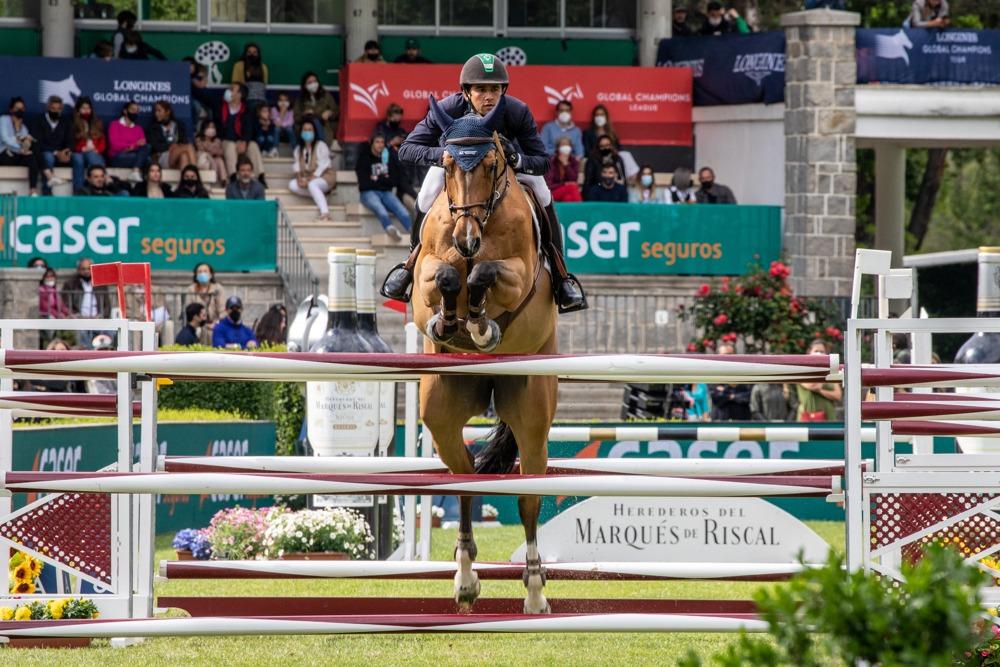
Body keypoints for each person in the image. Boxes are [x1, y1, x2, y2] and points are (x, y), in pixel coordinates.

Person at [386, 53, 586, 313]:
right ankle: (410, 264)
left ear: (503, 90)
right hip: (457, 171)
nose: (489, 97)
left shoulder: (517, 111)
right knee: (425, 195)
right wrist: (440, 156)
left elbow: (543, 161)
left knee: (543, 193)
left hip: (504, 169)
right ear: (467, 92)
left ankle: (561, 276)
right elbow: (407, 149)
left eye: (495, 89)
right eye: (481, 89)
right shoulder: (448, 109)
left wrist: (517, 159)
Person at [356, 134, 411, 241]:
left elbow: (393, 180)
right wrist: (383, 180)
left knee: (402, 210)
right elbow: (363, 182)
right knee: (380, 209)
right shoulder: (364, 158)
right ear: (372, 143)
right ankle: (390, 229)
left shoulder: (388, 157)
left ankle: (414, 234)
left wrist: (376, 179)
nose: (380, 145)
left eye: (382, 142)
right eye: (377, 142)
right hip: (368, 193)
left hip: (386, 192)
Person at [289, 120, 335, 220]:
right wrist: (299, 180)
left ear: (314, 132)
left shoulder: (321, 145)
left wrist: (309, 180)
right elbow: (297, 167)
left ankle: (325, 213)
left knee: (312, 184)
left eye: (310, 130)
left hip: (324, 177)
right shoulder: (298, 149)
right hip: (308, 178)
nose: (307, 132)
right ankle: (320, 196)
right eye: (305, 130)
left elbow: (323, 166)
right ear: (301, 132)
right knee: (292, 185)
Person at [219, 83, 264, 184]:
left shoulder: (247, 110)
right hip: (225, 141)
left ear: (240, 95)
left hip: (240, 141)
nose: (228, 91)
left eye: (232, 89)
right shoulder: (220, 106)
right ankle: (234, 177)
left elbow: (250, 129)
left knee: (253, 145)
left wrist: (244, 141)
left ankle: (260, 178)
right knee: (230, 146)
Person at [61, 257, 111, 348]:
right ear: (78, 270)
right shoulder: (71, 283)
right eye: (83, 269)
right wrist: (74, 315)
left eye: (88, 268)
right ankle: (89, 353)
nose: (86, 271)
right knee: (82, 331)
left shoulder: (100, 284)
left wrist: (101, 316)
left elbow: (107, 305)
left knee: (111, 331)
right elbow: (65, 303)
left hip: (98, 318)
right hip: (79, 318)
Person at [32, 95, 73, 194]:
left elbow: (70, 139)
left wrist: (67, 150)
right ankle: (47, 193)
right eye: (53, 108)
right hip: (46, 152)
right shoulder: (39, 120)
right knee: (48, 157)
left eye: (58, 109)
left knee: (78, 158)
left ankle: (79, 194)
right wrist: (55, 152)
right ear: (48, 108)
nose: (55, 111)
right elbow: (37, 143)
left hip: (62, 153)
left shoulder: (65, 121)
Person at [0, 96, 41, 195]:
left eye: (22, 108)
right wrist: (20, 142)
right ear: (11, 110)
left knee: (32, 156)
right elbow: (5, 139)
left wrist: (27, 143)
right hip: (4, 154)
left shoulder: (24, 128)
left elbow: (25, 145)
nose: (20, 110)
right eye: (17, 108)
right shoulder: (4, 120)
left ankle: (33, 190)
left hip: (18, 155)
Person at [796, 339, 843, 421]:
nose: (819, 353)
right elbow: (811, 385)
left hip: (828, 417)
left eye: (822, 351)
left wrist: (820, 390)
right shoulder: (801, 370)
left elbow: (838, 395)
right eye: (816, 351)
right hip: (807, 417)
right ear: (809, 353)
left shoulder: (831, 370)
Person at [69, 97, 106, 194]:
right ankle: (79, 193)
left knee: (93, 156)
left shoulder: (97, 123)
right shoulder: (72, 123)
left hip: (93, 151)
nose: (86, 111)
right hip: (78, 152)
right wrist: (81, 148)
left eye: (88, 108)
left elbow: (102, 141)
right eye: (83, 108)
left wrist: (97, 150)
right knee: (78, 160)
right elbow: (70, 142)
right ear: (78, 110)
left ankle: (98, 190)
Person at [108, 101, 151, 182]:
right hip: (117, 157)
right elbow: (115, 146)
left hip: (133, 156)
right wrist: (134, 145)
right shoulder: (114, 125)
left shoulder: (139, 129)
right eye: (132, 109)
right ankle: (136, 171)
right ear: (125, 111)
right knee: (147, 160)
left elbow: (142, 145)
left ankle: (135, 171)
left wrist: (130, 147)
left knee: (147, 148)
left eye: (137, 110)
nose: (135, 112)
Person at [147, 100, 196, 171]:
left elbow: (184, 140)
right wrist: (170, 146)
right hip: (162, 156)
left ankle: (186, 180)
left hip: (177, 155)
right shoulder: (153, 128)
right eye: (155, 111)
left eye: (159, 111)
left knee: (184, 156)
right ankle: (195, 173)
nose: (156, 113)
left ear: (168, 112)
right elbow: (155, 146)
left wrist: (177, 146)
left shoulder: (179, 124)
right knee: (189, 147)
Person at [709, 341, 752, 420]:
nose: (727, 358)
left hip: (741, 421)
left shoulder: (744, 373)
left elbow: (747, 397)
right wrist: (733, 391)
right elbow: (716, 398)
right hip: (720, 421)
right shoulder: (713, 374)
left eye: (730, 355)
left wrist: (724, 391)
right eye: (724, 355)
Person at [293, 72, 338, 143]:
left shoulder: (326, 95)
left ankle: (321, 144)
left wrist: (329, 113)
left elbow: (336, 111)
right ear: (305, 85)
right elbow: (296, 117)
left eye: (315, 81)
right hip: (307, 128)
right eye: (310, 82)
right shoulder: (300, 99)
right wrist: (304, 114)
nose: (313, 84)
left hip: (324, 127)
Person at [187, 262, 225, 345]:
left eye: (205, 271)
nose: (202, 273)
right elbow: (188, 310)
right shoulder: (191, 289)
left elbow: (223, 312)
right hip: (197, 325)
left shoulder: (218, 289)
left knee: (211, 333)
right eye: (199, 272)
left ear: (211, 275)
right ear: (196, 275)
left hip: (214, 324)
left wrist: (216, 324)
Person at [231, 43, 268, 113]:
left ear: (258, 54)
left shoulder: (263, 67)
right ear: (245, 53)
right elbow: (234, 84)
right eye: (249, 52)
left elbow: (264, 85)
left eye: (255, 52)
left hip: (261, 100)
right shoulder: (238, 65)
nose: (252, 55)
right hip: (245, 100)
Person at [545, 136, 582, 203]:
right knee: (572, 187)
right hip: (552, 193)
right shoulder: (551, 161)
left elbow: (573, 179)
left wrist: (566, 165)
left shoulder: (573, 161)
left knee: (568, 198)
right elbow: (549, 185)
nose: (565, 147)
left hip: (568, 192)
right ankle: (581, 211)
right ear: (558, 148)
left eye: (567, 145)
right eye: (563, 145)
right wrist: (564, 184)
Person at [195, 119, 227, 186]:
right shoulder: (198, 139)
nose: (211, 129)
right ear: (204, 129)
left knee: (219, 160)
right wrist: (211, 149)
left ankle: (224, 180)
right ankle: (213, 179)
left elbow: (220, 152)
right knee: (208, 156)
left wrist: (210, 149)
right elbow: (201, 148)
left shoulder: (217, 140)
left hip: (214, 159)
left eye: (213, 127)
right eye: (209, 127)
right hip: (204, 160)